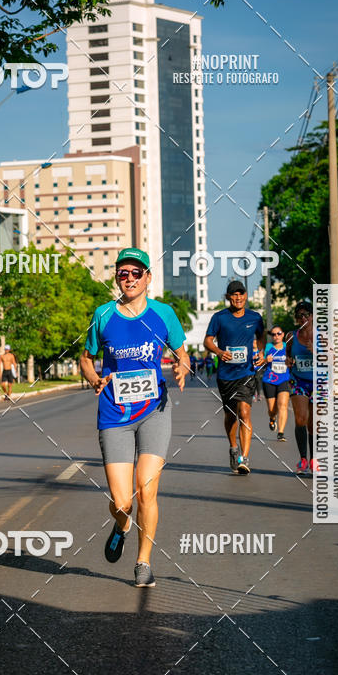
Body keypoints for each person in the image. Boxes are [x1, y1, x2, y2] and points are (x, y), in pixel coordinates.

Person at [80, 247, 189, 589]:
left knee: (146, 490)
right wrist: (94, 378)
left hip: (154, 411)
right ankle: (122, 524)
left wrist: (183, 367)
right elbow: (86, 358)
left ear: (147, 278)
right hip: (114, 413)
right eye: (122, 273)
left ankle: (143, 562)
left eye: (135, 273)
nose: (128, 279)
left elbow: (181, 352)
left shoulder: (164, 314)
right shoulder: (103, 315)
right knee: (122, 501)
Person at [204, 281, 265, 474]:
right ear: (228, 297)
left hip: (246, 373)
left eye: (241, 294)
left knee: (245, 412)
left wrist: (261, 351)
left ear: (246, 295)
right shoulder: (219, 317)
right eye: (234, 295)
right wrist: (219, 351)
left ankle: (244, 458)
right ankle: (233, 447)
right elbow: (207, 340)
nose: (238, 298)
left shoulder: (255, 317)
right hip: (226, 375)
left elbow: (262, 336)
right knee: (231, 415)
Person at [286, 301, 316, 474]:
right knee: (300, 419)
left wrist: (317, 352)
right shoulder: (291, 336)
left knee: (314, 424)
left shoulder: (323, 336)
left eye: (306, 315)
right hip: (299, 381)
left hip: (319, 382)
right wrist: (288, 361)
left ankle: (314, 460)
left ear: (312, 316)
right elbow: (287, 356)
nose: (303, 318)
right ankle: (303, 459)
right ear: (296, 319)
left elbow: (334, 360)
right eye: (299, 316)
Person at [262, 326, 290, 442]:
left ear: (283, 334)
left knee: (282, 405)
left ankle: (281, 432)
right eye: (273, 334)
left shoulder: (288, 347)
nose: (276, 336)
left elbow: (294, 360)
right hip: (270, 380)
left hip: (284, 379)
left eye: (278, 333)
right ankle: (272, 418)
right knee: (272, 409)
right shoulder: (268, 347)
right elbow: (260, 363)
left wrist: (291, 361)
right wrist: (265, 360)